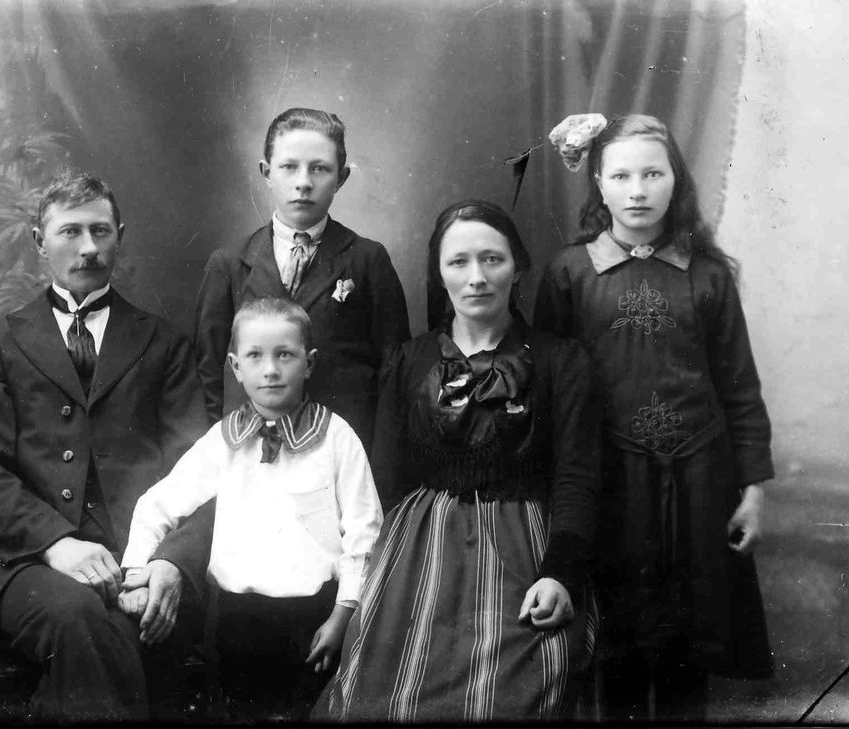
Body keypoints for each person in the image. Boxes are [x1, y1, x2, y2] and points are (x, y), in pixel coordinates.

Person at [323, 200, 601, 722]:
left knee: (517, 695)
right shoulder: (408, 361)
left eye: (492, 259)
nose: (477, 277)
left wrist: (560, 575)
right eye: (458, 262)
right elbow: (384, 482)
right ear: (439, 274)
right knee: (386, 696)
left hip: (528, 550)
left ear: (517, 268)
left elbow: (577, 477)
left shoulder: (561, 360)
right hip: (417, 551)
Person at [535, 113, 774, 721]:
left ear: (676, 181)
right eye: (621, 176)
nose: (637, 190)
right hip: (611, 480)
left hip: (700, 480)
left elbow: (740, 386)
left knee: (688, 650)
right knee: (616, 645)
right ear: (599, 182)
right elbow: (550, 392)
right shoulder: (569, 272)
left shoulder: (708, 274)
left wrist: (752, 489)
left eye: (653, 174)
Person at [0, 169, 212, 722]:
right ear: (39, 241)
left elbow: (202, 473)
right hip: (25, 564)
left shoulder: (164, 344)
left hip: (140, 562)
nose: (88, 247)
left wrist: (171, 564)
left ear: (120, 236)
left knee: (118, 625)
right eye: (70, 231)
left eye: (100, 231)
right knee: (82, 619)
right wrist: (56, 545)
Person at [119, 297, 383, 722]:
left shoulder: (337, 438)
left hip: (314, 617)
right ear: (235, 367)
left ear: (310, 363)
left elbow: (365, 533)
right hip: (235, 620)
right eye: (255, 356)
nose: (271, 369)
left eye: (285, 355)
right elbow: (157, 504)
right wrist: (136, 571)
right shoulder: (222, 441)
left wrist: (342, 616)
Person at [194, 107, 410, 449]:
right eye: (289, 167)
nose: (304, 182)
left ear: (341, 178)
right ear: (267, 172)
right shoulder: (229, 263)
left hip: (340, 449)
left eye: (320, 168)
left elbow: (394, 374)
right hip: (252, 450)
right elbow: (204, 375)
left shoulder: (368, 260)